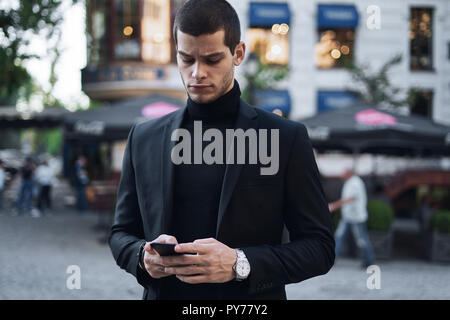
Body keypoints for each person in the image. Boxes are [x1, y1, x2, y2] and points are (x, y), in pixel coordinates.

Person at [109, 0, 335, 300]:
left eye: (212, 60)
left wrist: (240, 263)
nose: (197, 73)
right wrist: (142, 256)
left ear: (238, 53)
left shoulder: (284, 138)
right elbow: (120, 234)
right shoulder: (144, 137)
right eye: (186, 59)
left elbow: (320, 247)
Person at [329, 168, 375, 268]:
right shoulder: (351, 182)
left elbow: (349, 198)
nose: (341, 175)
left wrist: (334, 206)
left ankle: (369, 260)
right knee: (340, 237)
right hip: (348, 216)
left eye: (343, 173)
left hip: (356, 217)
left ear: (348, 173)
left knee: (361, 239)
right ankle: (332, 259)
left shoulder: (355, 183)